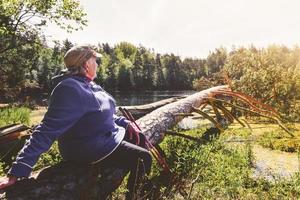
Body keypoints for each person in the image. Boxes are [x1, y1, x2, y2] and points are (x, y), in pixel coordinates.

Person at [0, 45, 152, 199]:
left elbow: (101, 113)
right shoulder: (69, 89)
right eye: (95, 61)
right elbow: (46, 131)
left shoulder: (89, 84)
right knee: (144, 158)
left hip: (104, 137)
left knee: (140, 138)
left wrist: (124, 122)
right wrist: (17, 171)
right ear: (86, 65)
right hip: (89, 148)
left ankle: (145, 190)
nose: (98, 64)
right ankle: (135, 196)